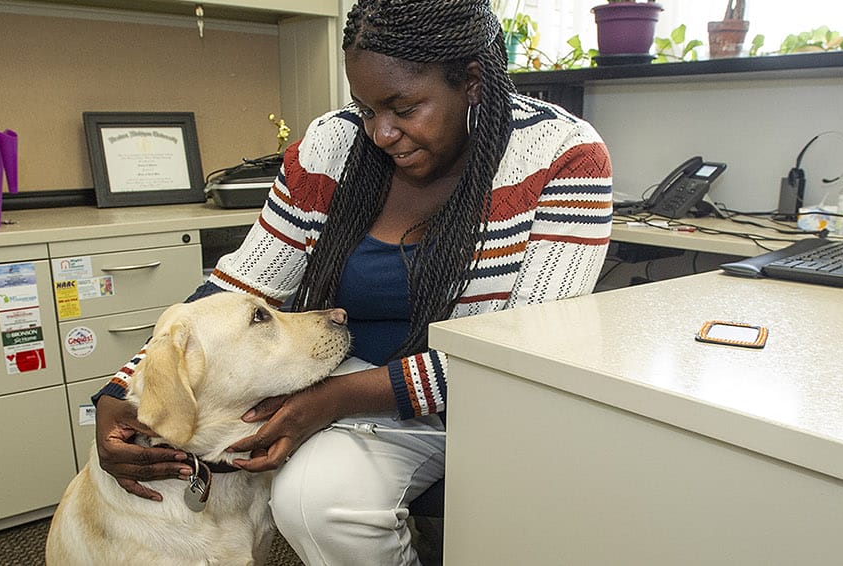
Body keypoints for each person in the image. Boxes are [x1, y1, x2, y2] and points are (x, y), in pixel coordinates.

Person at [90, 0, 612, 563]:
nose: (381, 132)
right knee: (313, 504)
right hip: (341, 375)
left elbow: (522, 352)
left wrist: (332, 400)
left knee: (340, 508)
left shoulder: (565, 155)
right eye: (365, 108)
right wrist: (128, 386)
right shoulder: (332, 145)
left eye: (404, 107)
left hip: (483, 396)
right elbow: (242, 284)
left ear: (473, 81)